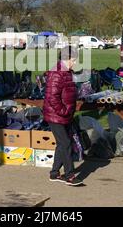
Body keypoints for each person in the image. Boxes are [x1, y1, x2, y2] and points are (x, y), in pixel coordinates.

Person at [43, 46, 83, 187]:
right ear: (68, 58)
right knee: (66, 143)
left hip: (63, 115)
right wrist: (64, 111)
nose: (75, 62)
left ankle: (54, 173)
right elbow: (52, 97)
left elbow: (66, 92)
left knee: (62, 143)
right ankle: (70, 175)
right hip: (56, 115)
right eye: (74, 59)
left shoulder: (66, 72)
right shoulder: (58, 73)